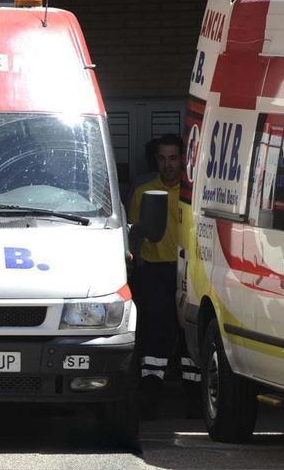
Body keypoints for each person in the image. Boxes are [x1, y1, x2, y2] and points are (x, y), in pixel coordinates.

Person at [129, 133, 201, 419]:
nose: (168, 164)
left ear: (183, 159)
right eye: (162, 158)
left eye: (173, 158)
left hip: (190, 272)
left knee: (189, 336)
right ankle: (149, 398)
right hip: (155, 272)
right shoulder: (143, 191)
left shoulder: (193, 191)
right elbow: (134, 234)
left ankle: (196, 400)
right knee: (155, 336)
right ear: (155, 160)